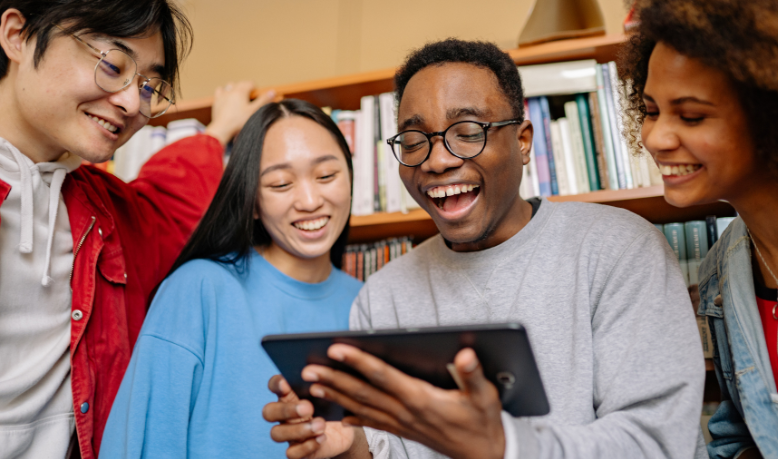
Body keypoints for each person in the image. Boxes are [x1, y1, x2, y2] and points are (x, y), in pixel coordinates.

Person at [263, 38, 707, 459]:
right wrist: (348, 446)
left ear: (523, 141)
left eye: (468, 131)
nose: (437, 161)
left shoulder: (619, 250)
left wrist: (500, 444)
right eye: (415, 141)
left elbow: (656, 441)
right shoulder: (382, 297)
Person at [0, 0, 275, 457]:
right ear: (16, 35)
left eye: (150, 85)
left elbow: (172, 203)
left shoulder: (106, 213)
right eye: (112, 64)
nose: (132, 102)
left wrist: (219, 131)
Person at [98, 99, 363, 458]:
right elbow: (142, 444)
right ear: (252, 202)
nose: (310, 200)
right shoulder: (200, 288)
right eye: (281, 184)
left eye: (327, 176)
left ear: (350, 179)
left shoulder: (370, 303)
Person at [618, 0, 778, 458]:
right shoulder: (722, 271)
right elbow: (743, 436)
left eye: (691, 116)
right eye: (650, 110)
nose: (656, 138)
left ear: (776, 114)